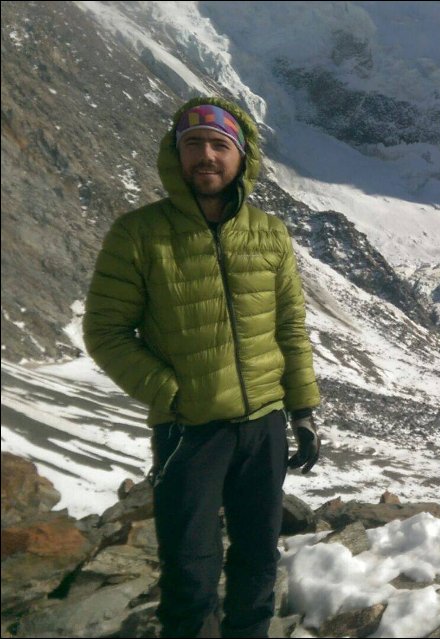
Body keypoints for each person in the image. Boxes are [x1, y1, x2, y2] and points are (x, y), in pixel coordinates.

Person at [83, 96, 322, 638]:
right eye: (193, 144)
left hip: (262, 424)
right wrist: (171, 394)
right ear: (177, 155)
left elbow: (289, 327)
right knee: (190, 572)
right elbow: (106, 331)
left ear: (241, 157)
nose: (206, 157)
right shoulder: (139, 234)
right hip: (188, 431)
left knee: (258, 560)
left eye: (219, 145)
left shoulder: (269, 233)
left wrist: (304, 409)